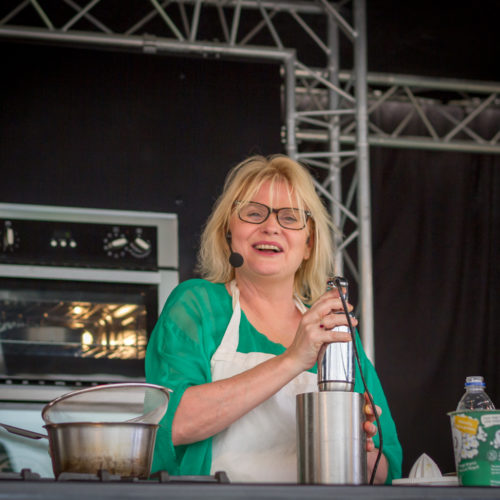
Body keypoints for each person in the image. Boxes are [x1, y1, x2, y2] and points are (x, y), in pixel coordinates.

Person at [145, 154, 402, 483]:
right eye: (253, 213)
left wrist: (357, 447)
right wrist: (294, 358)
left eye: (290, 217)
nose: (271, 227)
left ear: (308, 243)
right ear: (228, 232)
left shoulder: (332, 331)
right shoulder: (198, 304)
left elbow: (385, 467)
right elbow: (172, 424)